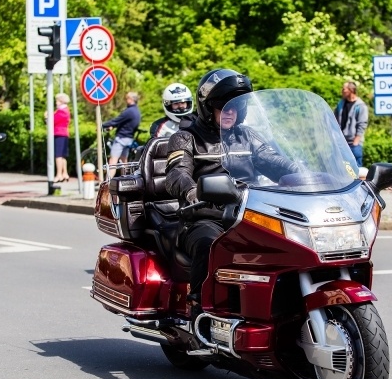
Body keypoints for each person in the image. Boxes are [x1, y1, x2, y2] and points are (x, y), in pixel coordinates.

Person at [166, 69, 298, 312]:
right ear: (208, 108)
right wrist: (193, 191)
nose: (230, 112)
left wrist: (303, 173)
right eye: (223, 106)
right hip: (204, 217)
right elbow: (176, 174)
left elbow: (273, 161)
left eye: (235, 107)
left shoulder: (246, 136)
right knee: (209, 244)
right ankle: (199, 308)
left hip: (248, 214)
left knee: (291, 244)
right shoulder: (186, 138)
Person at [102, 91, 141, 177]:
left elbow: (117, 120)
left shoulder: (129, 111)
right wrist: (113, 126)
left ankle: (108, 184)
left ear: (131, 99)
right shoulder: (136, 111)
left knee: (113, 161)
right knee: (124, 161)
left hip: (121, 138)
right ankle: (126, 181)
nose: (126, 100)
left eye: (127, 98)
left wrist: (102, 125)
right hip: (129, 138)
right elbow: (124, 122)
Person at [334, 81, 369, 166]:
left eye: (344, 89)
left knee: (356, 170)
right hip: (341, 143)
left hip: (354, 143)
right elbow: (334, 119)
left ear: (351, 90)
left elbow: (362, 124)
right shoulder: (341, 104)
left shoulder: (360, 106)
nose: (342, 91)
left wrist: (355, 143)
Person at [52, 92, 71, 183]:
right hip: (64, 133)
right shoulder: (66, 110)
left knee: (58, 155)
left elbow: (53, 120)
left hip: (59, 133)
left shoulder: (61, 112)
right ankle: (65, 173)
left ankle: (59, 174)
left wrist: (47, 116)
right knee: (63, 156)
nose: (56, 102)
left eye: (57, 101)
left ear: (61, 101)